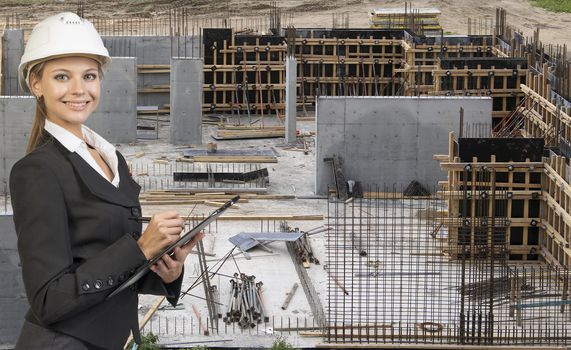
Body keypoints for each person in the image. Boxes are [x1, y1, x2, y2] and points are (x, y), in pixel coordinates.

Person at [9, 12, 202, 349]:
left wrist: (166, 272)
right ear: (36, 84)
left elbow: (103, 263)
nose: (79, 90)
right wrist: (140, 248)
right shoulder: (37, 172)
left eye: (89, 76)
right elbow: (48, 300)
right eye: (62, 77)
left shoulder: (109, 157)